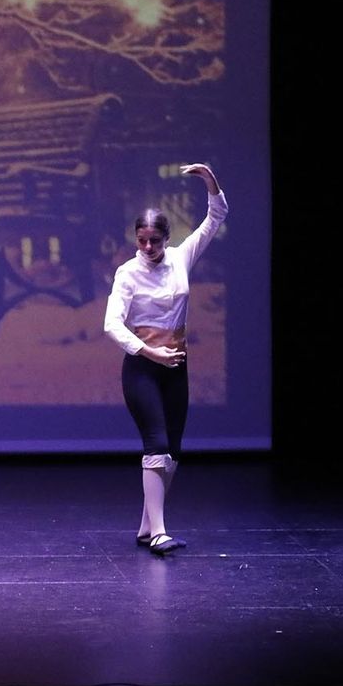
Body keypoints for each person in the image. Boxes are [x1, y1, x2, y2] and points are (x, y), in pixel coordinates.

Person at [103, 164, 226, 555]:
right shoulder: (127, 274)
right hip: (142, 367)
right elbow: (111, 324)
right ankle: (159, 533)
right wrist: (148, 350)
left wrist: (210, 181)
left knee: (171, 449)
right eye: (141, 241)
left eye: (155, 241)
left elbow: (215, 219)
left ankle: (145, 527)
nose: (148, 248)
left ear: (167, 238)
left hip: (175, 365)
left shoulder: (181, 258)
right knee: (155, 442)